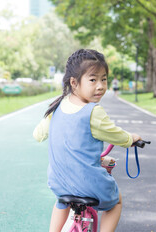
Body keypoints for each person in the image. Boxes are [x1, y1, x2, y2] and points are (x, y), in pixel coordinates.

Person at [33, 49, 142, 232]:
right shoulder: (93, 112)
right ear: (74, 83)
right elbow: (116, 135)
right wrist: (131, 139)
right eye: (93, 80)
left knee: (61, 201)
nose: (100, 86)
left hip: (58, 181)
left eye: (104, 79)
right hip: (88, 184)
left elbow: (38, 135)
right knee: (115, 203)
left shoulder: (57, 107)